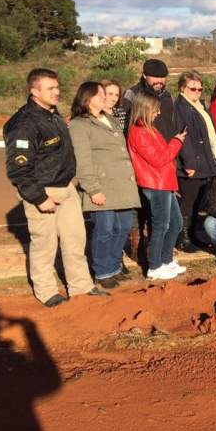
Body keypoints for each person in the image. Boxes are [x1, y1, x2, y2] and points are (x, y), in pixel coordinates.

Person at [4, 68, 103, 306]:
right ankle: (47, 292)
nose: (57, 92)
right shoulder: (23, 124)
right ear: (34, 91)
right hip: (43, 191)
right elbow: (19, 170)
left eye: (57, 87)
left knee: (75, 240)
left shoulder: (52, 114)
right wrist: (39, 198)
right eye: (50, 88)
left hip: (66, 187)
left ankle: (81, 286)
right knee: (44, 244)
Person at [68, 81, 140, 289]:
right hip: (102, 186)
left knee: (123, 226)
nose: (104, 98)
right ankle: (102, 270)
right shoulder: (79, 124)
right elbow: (83, 160)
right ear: (87, 98)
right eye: (99, 95)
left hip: (122, 185)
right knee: (105, 229)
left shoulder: (110, 118)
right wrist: (93, 189)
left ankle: (114, 266)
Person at [127, 89, 188, 280]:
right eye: (155, 109)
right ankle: (154, 266)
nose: (158, 113)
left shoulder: (149, 129)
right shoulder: (139, 132)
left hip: (164, 183)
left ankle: (166, 260)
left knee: (176, 224)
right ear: (145, 109)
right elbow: (160, 159)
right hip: (155, 185)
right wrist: (177, 142)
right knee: (161, 225)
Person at [174, 71, 216, 252]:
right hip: (193, 165)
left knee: (198, 202)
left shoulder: (198, 105)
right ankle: (183, 238)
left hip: (206, 162)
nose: (197, 91)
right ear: (182, 88)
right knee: (188, 202)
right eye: (192, 88)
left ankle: (193, 234)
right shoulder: (180, 107)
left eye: (199, 89)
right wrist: (190, 163)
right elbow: (184, 136)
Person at [122, 58, 176, 142]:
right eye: (155, 76)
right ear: (144, 75)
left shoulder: (167, 96)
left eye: (162, 77)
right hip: (145, 150)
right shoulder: (132, 94)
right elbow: (125, 127)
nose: (159, 81)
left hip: (168, 150)